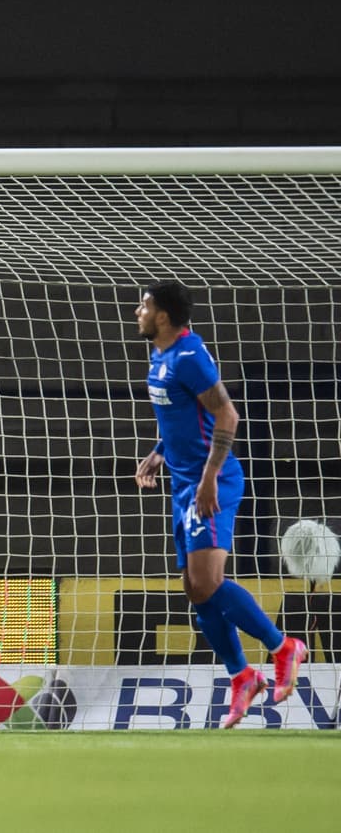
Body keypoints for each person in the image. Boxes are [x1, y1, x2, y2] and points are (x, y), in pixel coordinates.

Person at [133, 280, 308, 728]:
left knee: (208, 582)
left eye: (145, 305)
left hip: (212, 482)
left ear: (165, 317)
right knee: (195, 588)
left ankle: (282, 646)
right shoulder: (160, 356)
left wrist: (209, 477)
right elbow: (181, 418)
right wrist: (159, 452)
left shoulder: (189, 356)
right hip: (185, 483)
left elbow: (226, 414)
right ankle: (242, 675)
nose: (138, 312)